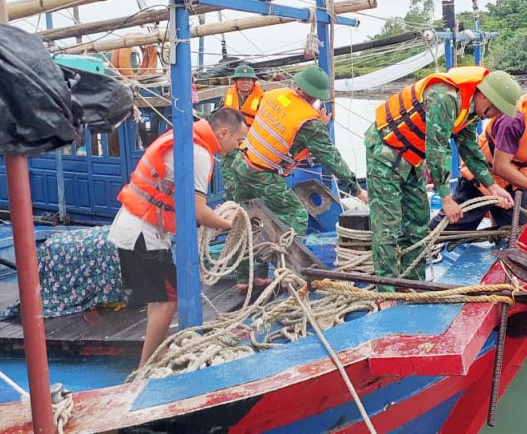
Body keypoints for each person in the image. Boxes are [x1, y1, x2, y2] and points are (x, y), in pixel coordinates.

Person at [108, 108, 248, 369]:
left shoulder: (189, 140)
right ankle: (147, 364)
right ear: (223, 133)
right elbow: (199, 211)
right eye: (239, 141)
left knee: (159, 297)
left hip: (137, 228)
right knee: (168, 300)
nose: (239, 148)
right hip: (142, 234)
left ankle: (157, 353)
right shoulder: (198, 154)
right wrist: (228, 223)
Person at [364, 65, 521, 283]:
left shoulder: (471, 110)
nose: (494, 116)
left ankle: (412, 282)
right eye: (496, 110)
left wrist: (493, 187)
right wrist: (446, 199)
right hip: (385, 153)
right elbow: (437, 148)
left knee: (418, 222)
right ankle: (386, 289)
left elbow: (469, 148)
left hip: (412, 158)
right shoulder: (445, 97)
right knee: (388, 225)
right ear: (484, 96)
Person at [223, 65, 368, 290]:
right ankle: (290, 274)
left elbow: (278, 128)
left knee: (247, 221)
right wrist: (357, 190)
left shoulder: (273, 95)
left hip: (240, 163)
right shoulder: (309, 121)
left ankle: (247, 278)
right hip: (261, 173)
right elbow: (330, 156)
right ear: (317, 97)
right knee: (296, 214)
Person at [431, 92, 527, 232]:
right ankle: (421, 247)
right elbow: (501, 167)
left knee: (520, 234)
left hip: (518, 185)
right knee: (448, 229)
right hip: (483, 180)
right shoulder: (514, 121)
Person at [223, 63, 265, 127]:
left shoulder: (262, 98)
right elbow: (219, 115)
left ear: (253, 82)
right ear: (236, 81)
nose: (245, 82)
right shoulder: (227, 96)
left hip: (251, 134)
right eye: (242, 79)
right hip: (231, 133)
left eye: (248, 79)